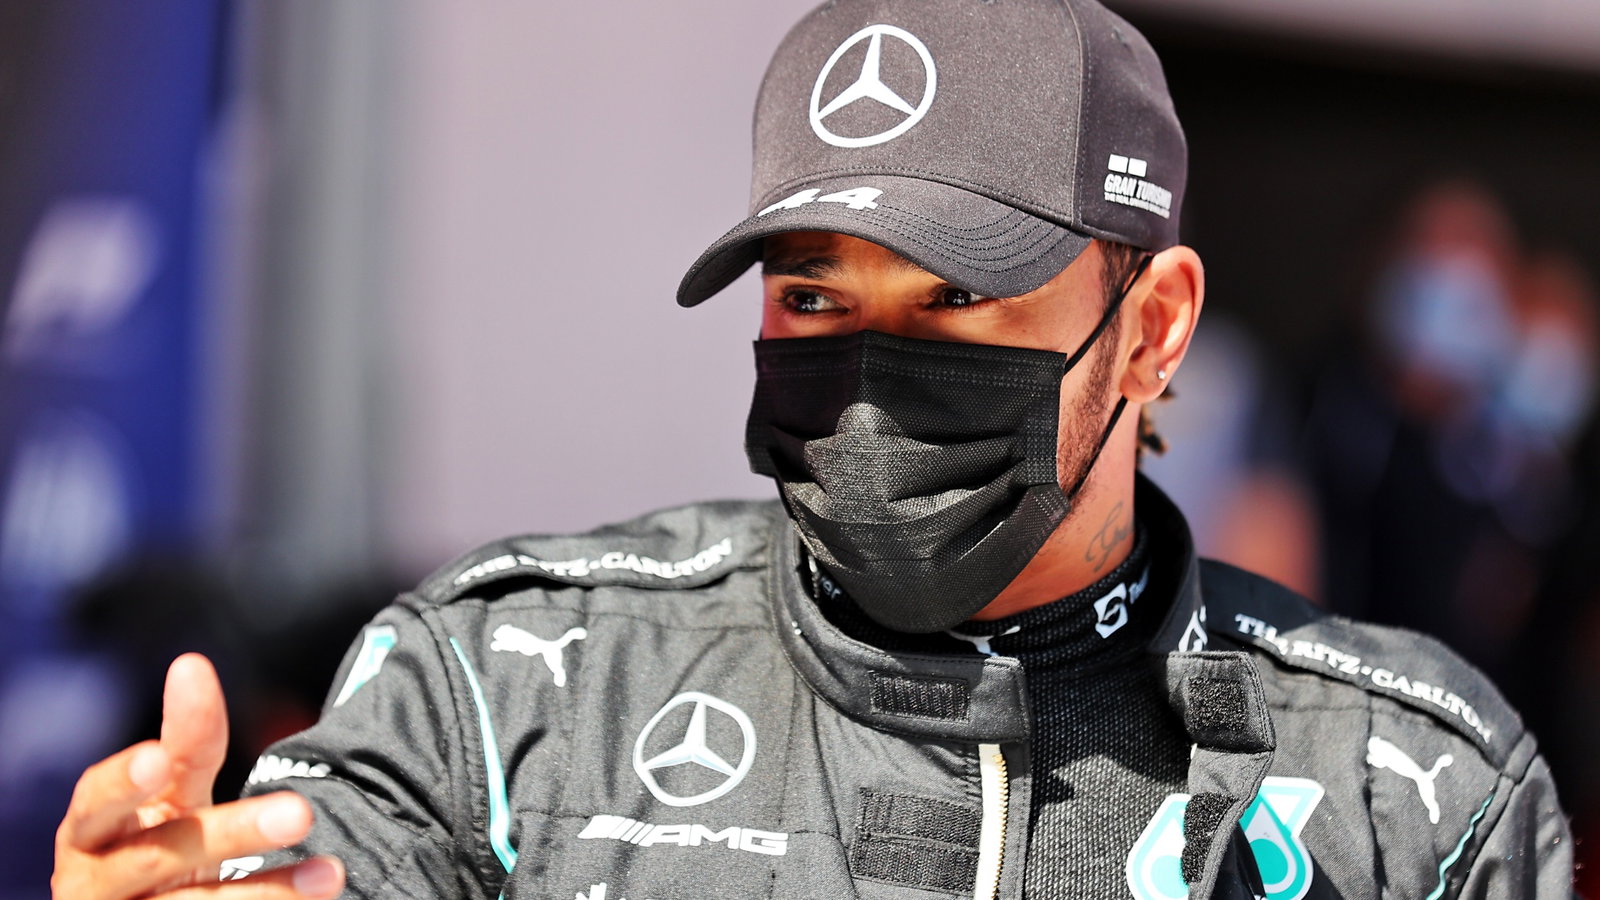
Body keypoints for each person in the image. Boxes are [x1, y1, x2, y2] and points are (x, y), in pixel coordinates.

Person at [52, 1, 1574, 898]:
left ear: (1154, 326)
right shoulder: (513, 689)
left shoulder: (1414, 796)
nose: (870, 381)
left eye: (958, 298)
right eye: (814, 299)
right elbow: (308, 865)